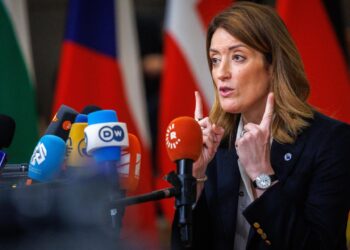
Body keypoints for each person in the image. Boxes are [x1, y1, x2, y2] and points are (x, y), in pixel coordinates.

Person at [171, 2, 350, 250]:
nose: (221, 72)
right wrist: (195, 182)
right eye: (214, 59)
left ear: (273, 64)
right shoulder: (214, 142)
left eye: (237, 57)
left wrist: (261, 175)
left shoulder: (330, 141)